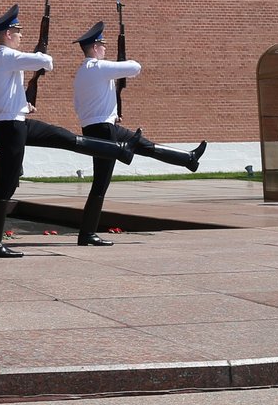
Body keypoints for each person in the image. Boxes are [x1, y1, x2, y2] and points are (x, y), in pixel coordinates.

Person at [0, 6, 133, 258]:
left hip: (15, 122)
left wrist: (22, 103)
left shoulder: (1, 59)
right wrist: (42, 50)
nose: (20, 35)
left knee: (63, 136)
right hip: (11, 127)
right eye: (17, 31)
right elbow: (47, 63)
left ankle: (119, 149)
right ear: (8, 33)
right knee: (6, 186)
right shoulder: (6, 55)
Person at [72, 21, 207, 246]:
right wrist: (123, 60)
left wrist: (109, 113)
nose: (105, 48)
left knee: (145, 145)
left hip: (102, 126)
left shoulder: (81, 73)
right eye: (102, 44)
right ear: (95, 48)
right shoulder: (98, 67)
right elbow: (135, 67)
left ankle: (188, 159)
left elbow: (80, 105)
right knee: (101, 182)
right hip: (104, 130)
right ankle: (87, 233)